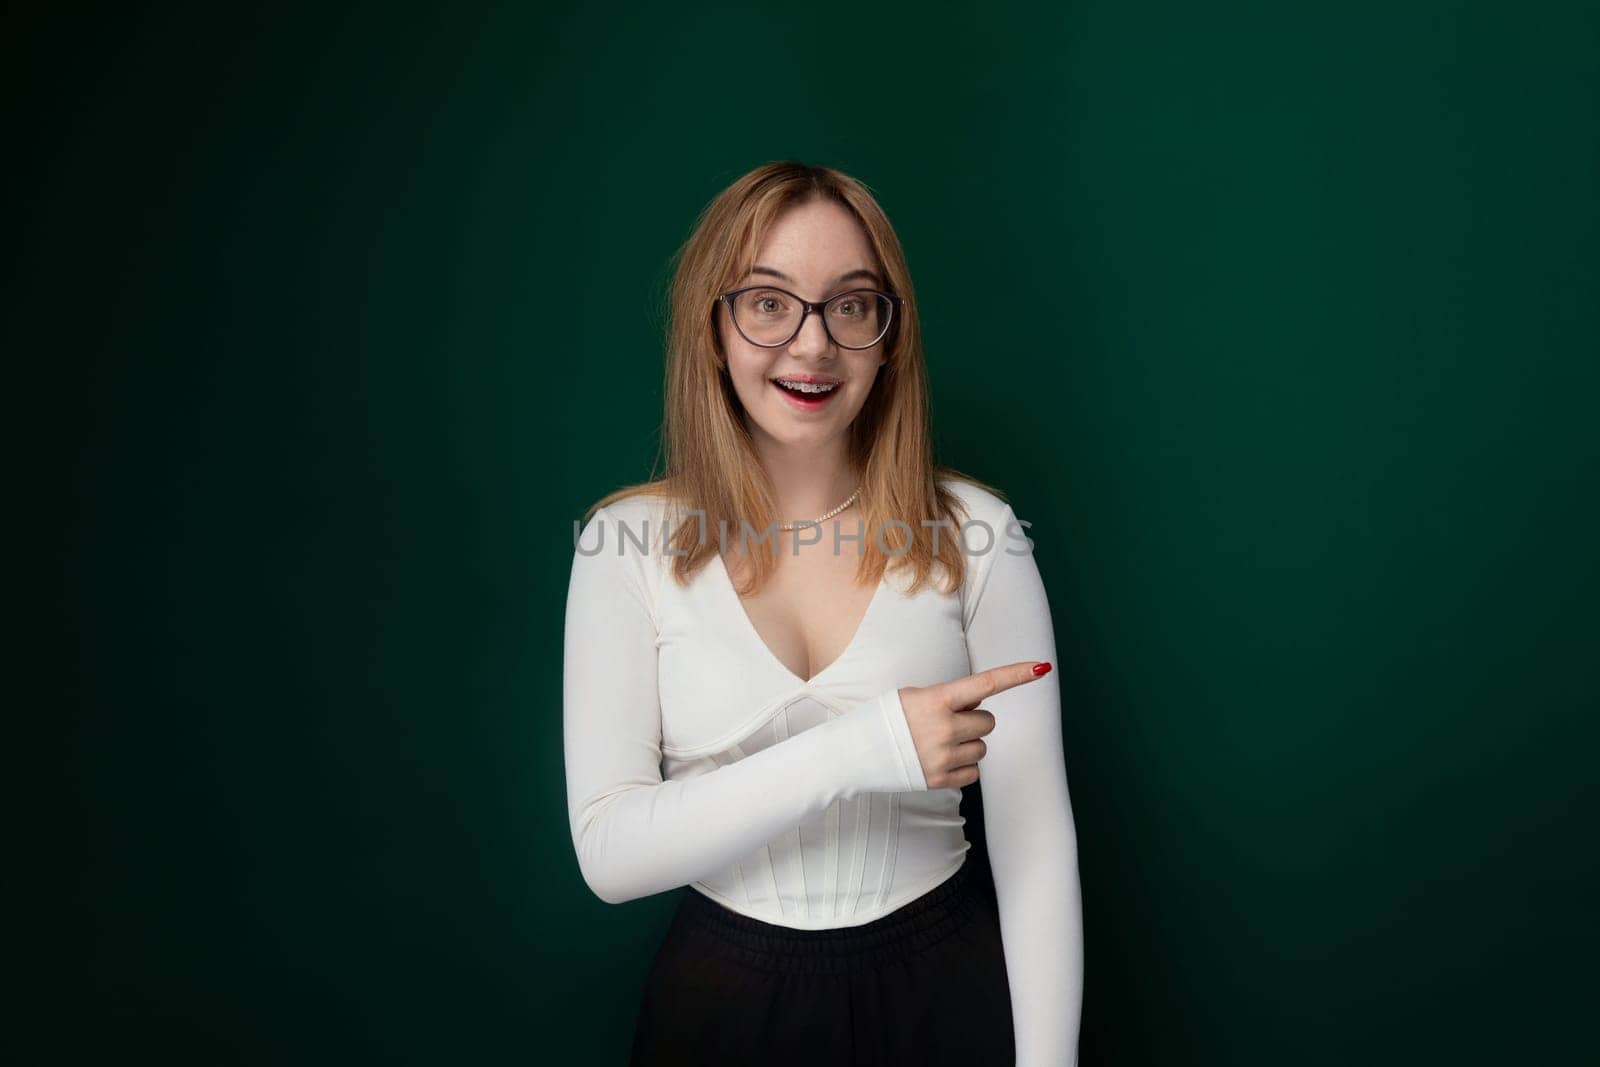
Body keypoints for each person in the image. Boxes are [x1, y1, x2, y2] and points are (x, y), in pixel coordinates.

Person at [562, 161, 1083, 1066]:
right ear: (711, 329)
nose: (812, 345)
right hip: (720, 1009)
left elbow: (1036, 847)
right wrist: (872, 745)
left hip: (944, 993)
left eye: (850, 305)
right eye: (769, 302)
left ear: (889, 336)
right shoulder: (625, 543)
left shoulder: (980, 535)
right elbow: (611, 854)